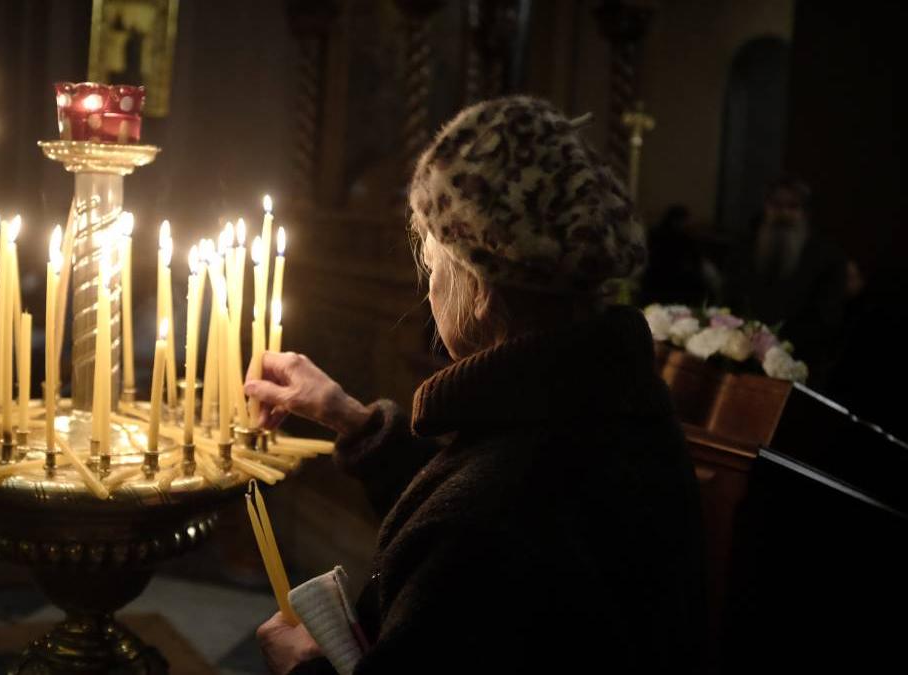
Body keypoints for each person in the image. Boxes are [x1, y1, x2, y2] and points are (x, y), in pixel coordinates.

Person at [245, 97, 705, 674]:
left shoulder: (495, 518)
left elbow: (480, 531)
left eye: (433, 266)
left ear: (479, 290)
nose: (430, 290)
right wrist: (356, 422)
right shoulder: (608, 399)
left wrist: (302, 668)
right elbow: (475, 503)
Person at [724, 177, 847, 384]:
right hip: (741, 361)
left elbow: (827, 319)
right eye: (776, 205)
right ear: (766, 207)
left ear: (805, 212)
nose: (783, 214)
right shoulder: (743, 250)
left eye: (792, 206)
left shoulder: (827, 258)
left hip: (797, 364)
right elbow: (729, 300)